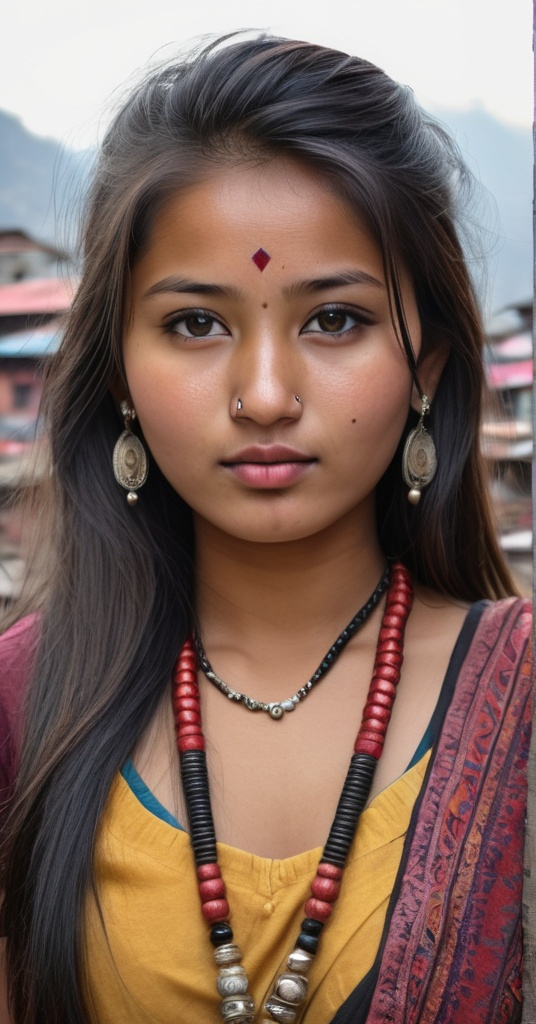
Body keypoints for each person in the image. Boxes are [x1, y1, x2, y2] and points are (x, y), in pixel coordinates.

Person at [0, 34, 531, 1024]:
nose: (264, 396)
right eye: (196, 325)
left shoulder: (519, 707)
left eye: (333, 320)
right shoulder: (23, 713)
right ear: (117, 369)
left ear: (423, 366)